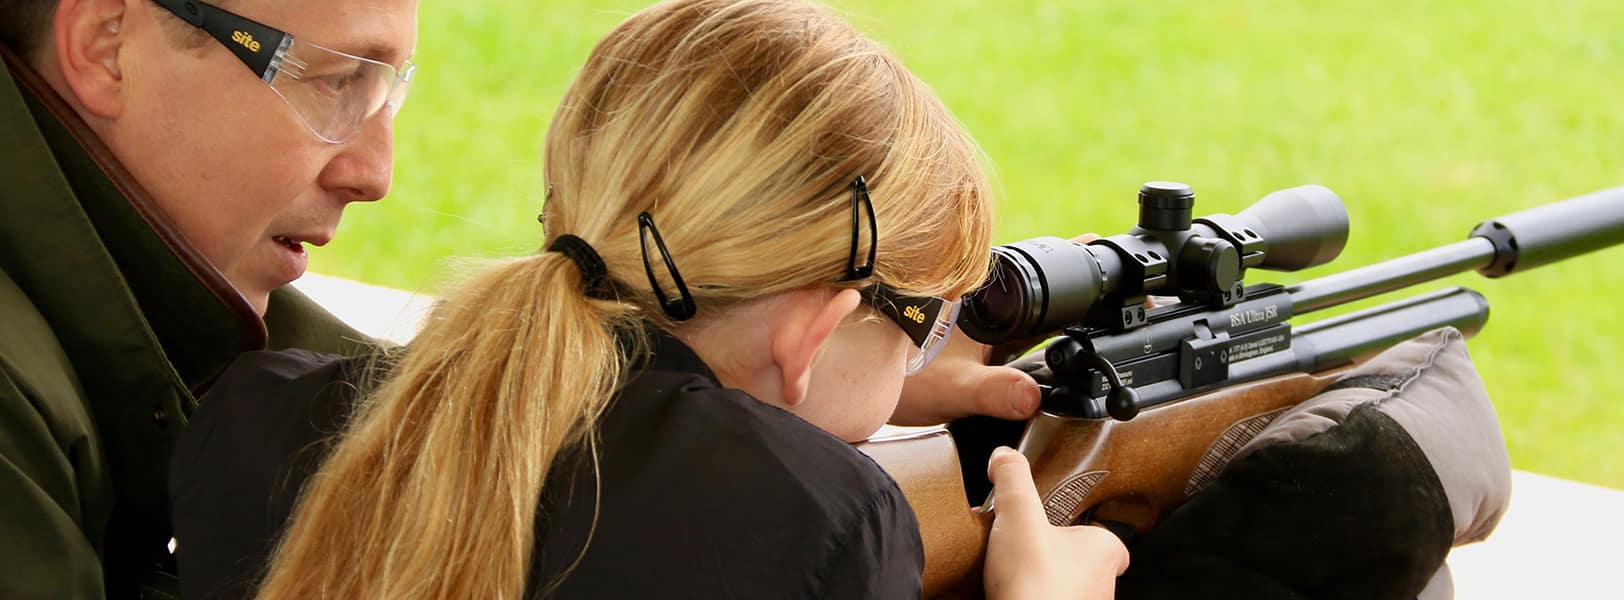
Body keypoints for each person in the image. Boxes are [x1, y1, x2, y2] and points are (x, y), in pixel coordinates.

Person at [0, 0, 1046, 596]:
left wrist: (798, 380)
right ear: (104, 39)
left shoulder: (264, 412)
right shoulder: (814, 522)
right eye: (334, 79)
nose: (377, 171)